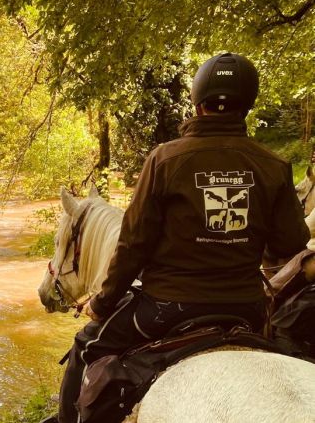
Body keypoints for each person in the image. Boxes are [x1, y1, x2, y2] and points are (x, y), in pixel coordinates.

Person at [53, 52, 311, 423]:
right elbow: (289, 245)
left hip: (166, 308)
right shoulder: (273, 165)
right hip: (247, 308)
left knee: (85, 346)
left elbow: (133, 244)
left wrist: (103, 303)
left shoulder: (164, 159)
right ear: (248, 105)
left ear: (198, 101)